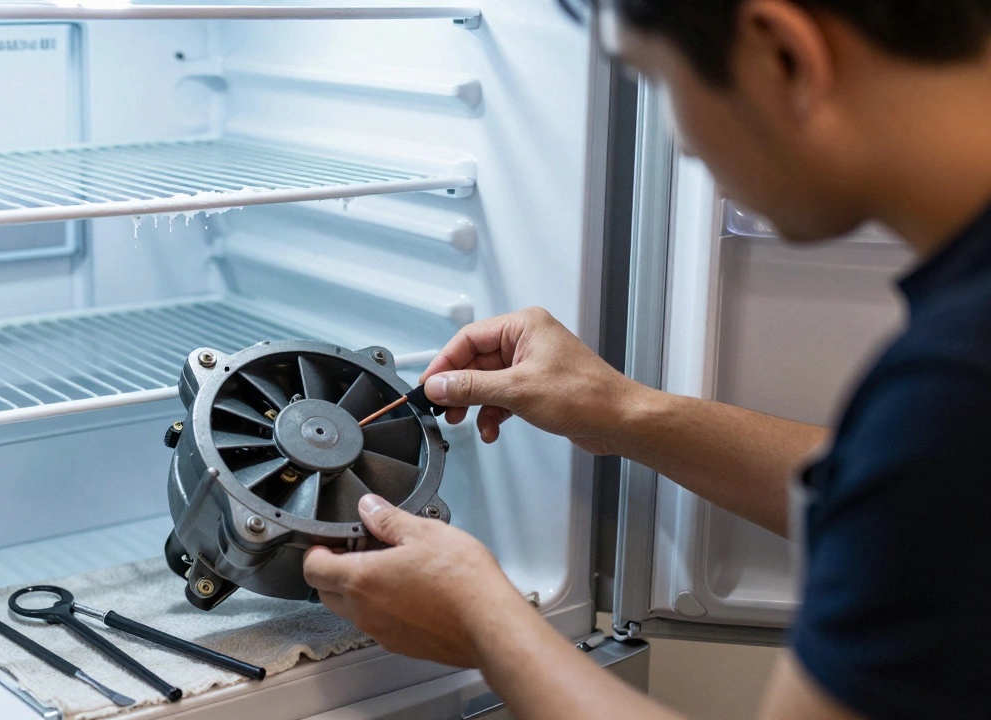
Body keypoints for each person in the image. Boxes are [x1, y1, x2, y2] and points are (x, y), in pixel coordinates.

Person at [302, 1, 991, 718]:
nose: (684, 148)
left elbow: (925, 470)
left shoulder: (951, 391)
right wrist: (622, 412)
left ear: (781, 53)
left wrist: (485, 622)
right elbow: (916, 499)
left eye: (658, 82)